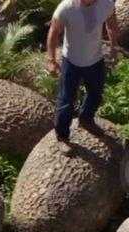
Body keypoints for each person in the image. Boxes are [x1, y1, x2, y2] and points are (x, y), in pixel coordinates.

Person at [47, 0, 120, 146]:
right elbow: (54, 32)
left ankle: (86, 119)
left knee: (96, 93)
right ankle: (62, 136)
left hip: (95, 59)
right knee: (66, 100)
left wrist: (114, 45)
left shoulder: (106, 4)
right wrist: (51, 60)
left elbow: (111, 24)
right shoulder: (66, 7)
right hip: (71, 61)